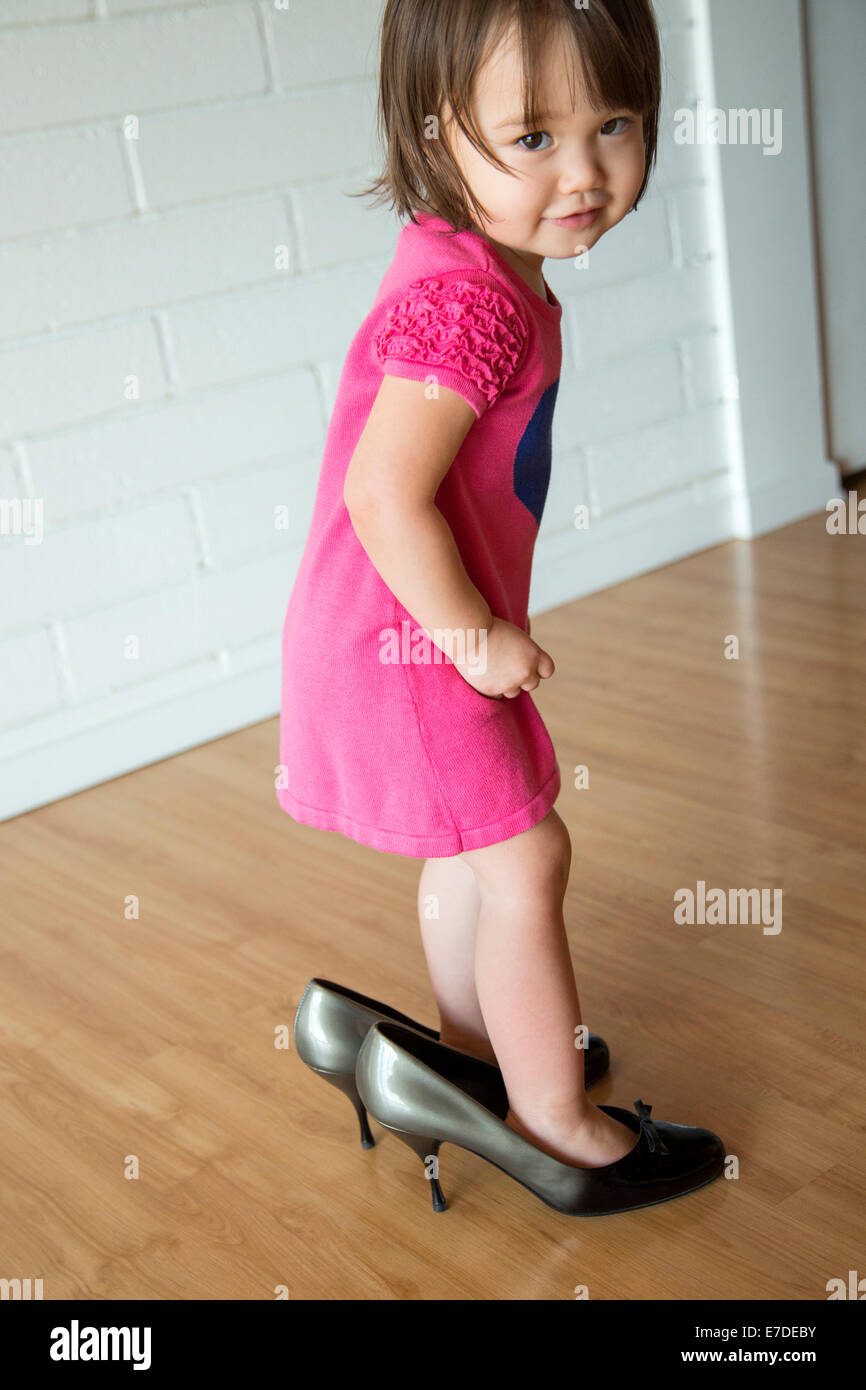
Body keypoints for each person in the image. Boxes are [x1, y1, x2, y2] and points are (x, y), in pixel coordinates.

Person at [278, 0, 668, 1172]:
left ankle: (474, 1050)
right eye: (534, 139)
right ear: (442, 133)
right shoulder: (473, 305)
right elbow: (382, 494)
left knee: (472, 847)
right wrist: (473, 638)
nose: (586, 172)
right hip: (405, 637)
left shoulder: (481, 266)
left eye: (614, 121)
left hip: (380, 629)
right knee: (525, 853)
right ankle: (552, 1121)